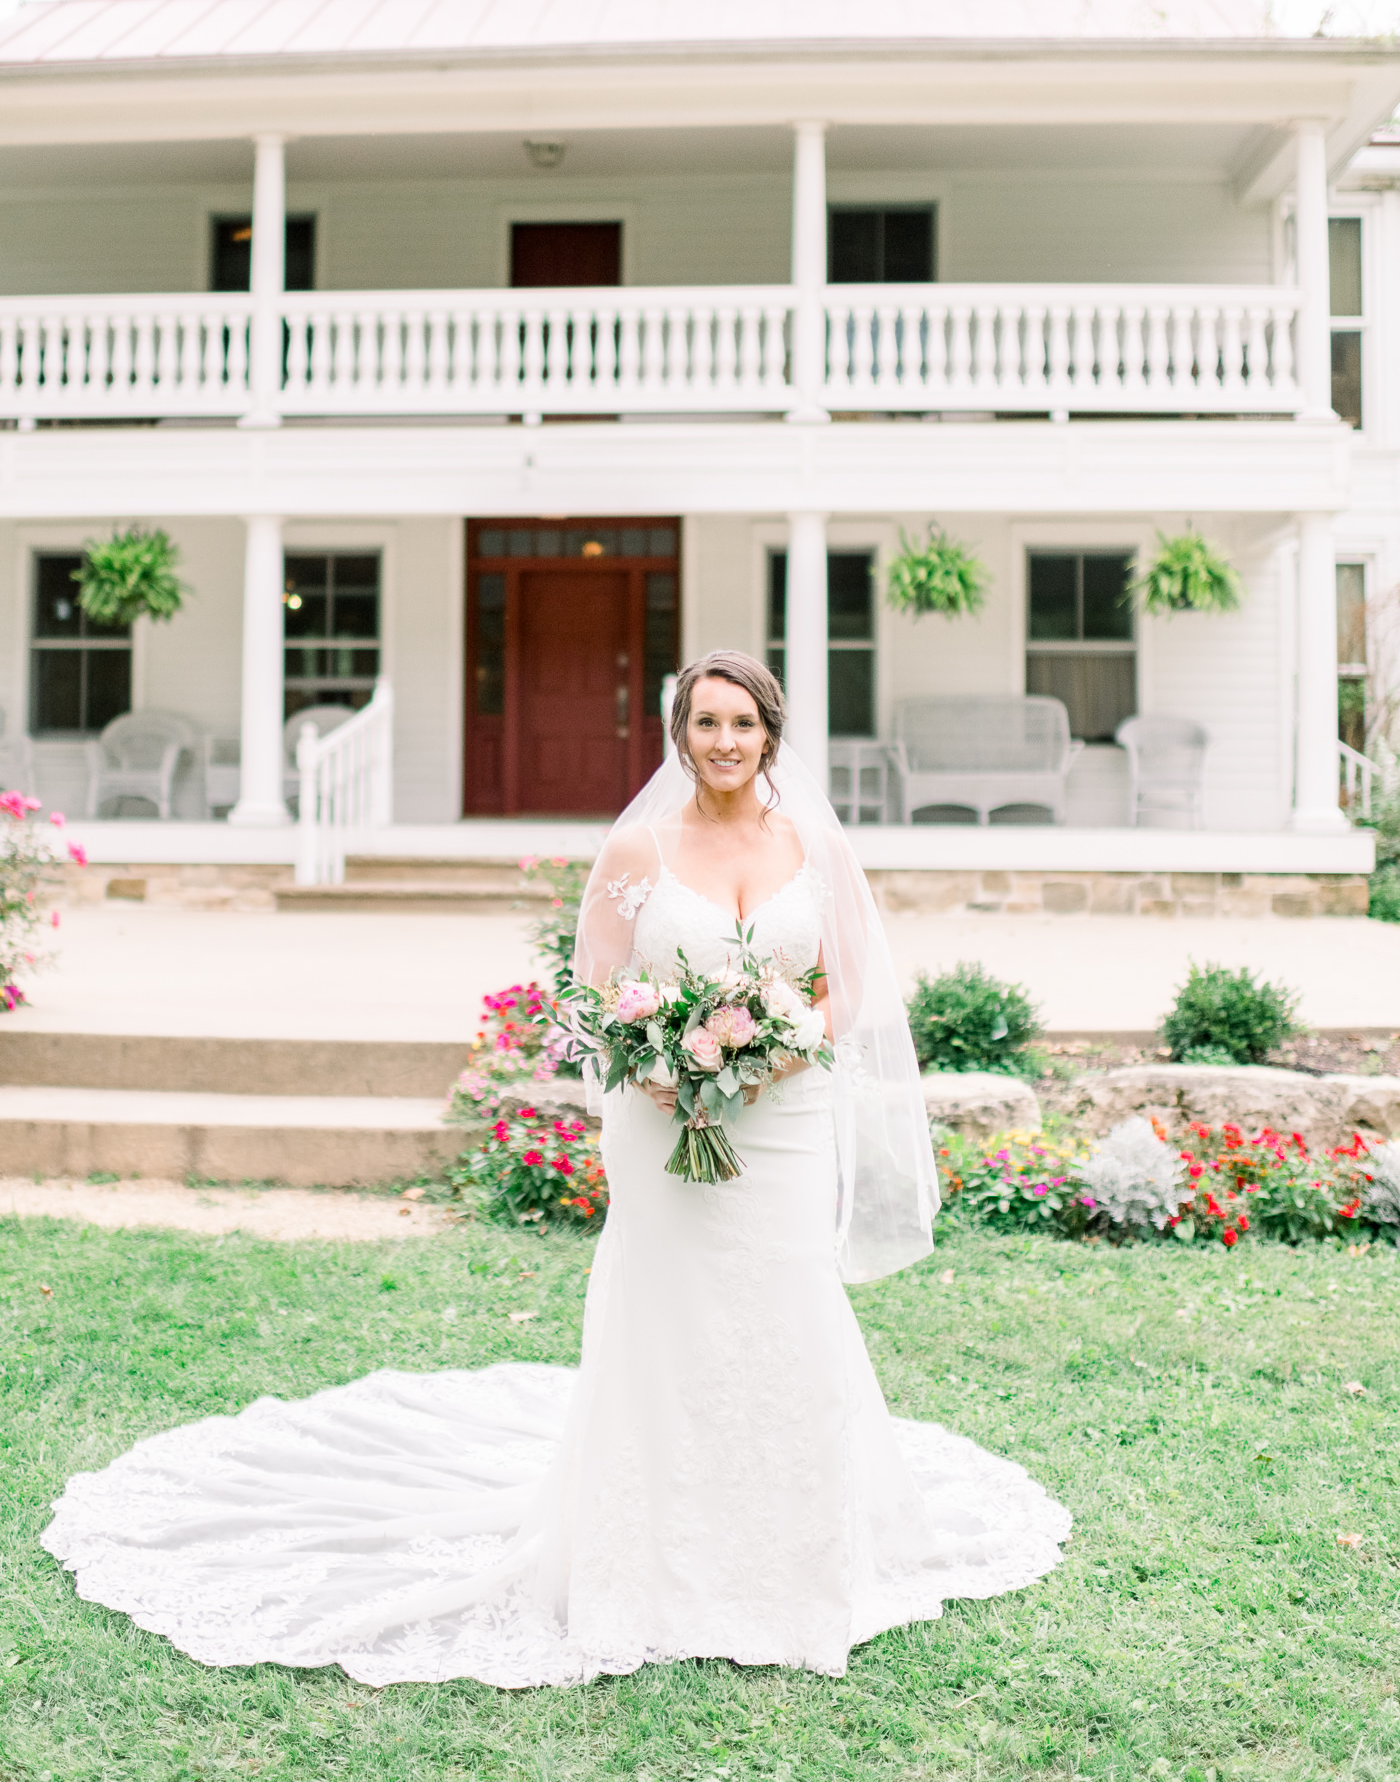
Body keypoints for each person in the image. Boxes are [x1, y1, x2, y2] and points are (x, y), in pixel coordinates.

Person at [41, 650, 1070, 1689]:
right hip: (661, 1115)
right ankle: (648, 1563)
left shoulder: (816, 848)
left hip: (785, 1119)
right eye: (704, 724)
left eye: (742, 726)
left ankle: (783, 1557)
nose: (723, 743)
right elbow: (591, 993)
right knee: (665, 1313)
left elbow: (845, 985)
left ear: (770, 734)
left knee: (783, 1306)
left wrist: (775, 1051)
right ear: (679, 734)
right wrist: (662, 1066)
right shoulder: (637, 847)